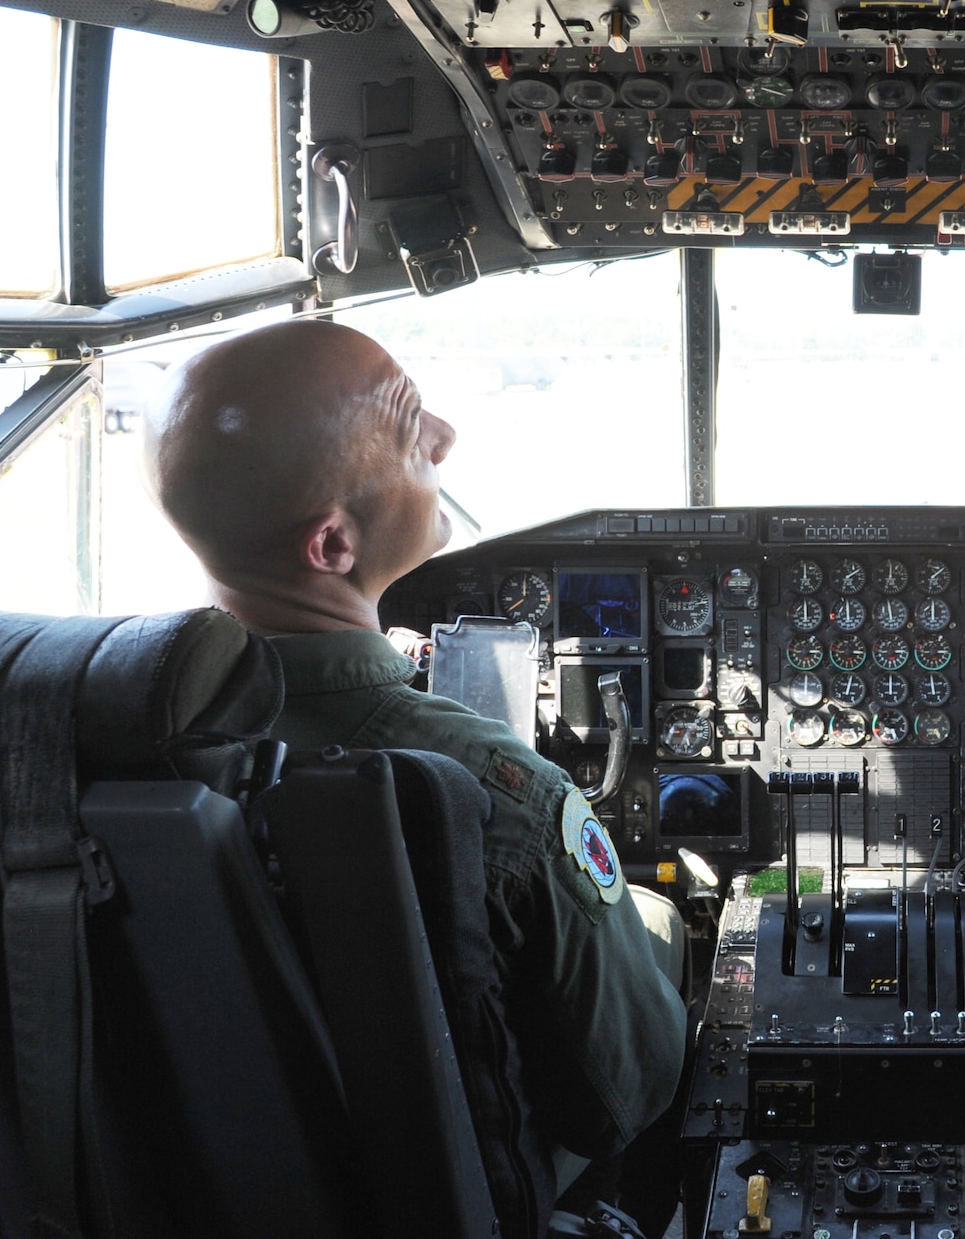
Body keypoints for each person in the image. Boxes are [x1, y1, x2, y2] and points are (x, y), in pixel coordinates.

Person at [144, 321, 687, 1208]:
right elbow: (632, 1089)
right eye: (407, 428)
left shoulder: (106, 745)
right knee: (657, 923)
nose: (443, 435)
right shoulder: (495, 791)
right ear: (331, 547)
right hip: (456, 1196)